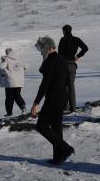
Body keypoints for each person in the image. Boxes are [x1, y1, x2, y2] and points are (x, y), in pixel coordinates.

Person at [31, 36, 75, 165]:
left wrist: (36, 103)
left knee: (41, 126)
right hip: (62, 96)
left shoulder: (51, 61)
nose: (40, 51)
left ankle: (65, 148)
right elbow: (67, 80)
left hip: (54, 98)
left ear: (46, 48)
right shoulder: (60, 59)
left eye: (41, 49)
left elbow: (45, 84)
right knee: (56, 127)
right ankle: (58, 156)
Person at [58, 25, 88, 112]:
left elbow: (60, 54)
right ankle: (73, 108)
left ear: (64, 31)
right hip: (72, 66)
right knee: (71, 86)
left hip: (64, 65)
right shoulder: (76, 39)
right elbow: (85, 48)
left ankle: (65, 106)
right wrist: (77, 56)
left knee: (64, 86)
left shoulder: (63, 40)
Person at [0, 48, 27, 116]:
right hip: (19, 82)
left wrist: (2, 61)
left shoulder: (6, 59)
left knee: (9, 98)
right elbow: (26, 66)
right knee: (17, 96)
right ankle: (23, 107)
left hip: (10, 82)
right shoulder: (19, 59)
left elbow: (1, 66)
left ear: (7, 52)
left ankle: (9, 113)